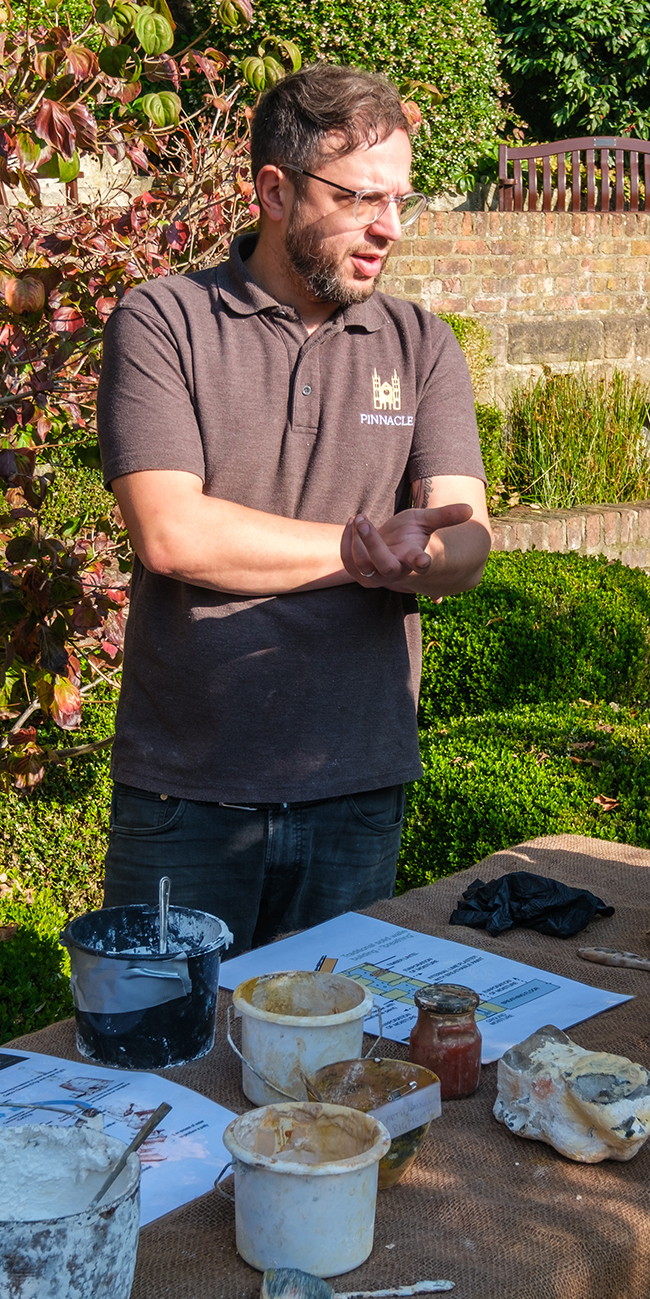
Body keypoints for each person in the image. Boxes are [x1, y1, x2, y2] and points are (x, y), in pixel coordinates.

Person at [96, 64, 490, 956]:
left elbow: (465, 535)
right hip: (187, 795)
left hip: (357, 790)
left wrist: (422, 557)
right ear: (275, 191)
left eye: (400, 200)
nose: (389, 227)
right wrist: (359, 553)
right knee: (167, 1032)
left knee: (333, 1037)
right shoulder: (164, 321)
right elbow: (172, 533)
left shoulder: (421, 343)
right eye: (360, 198)